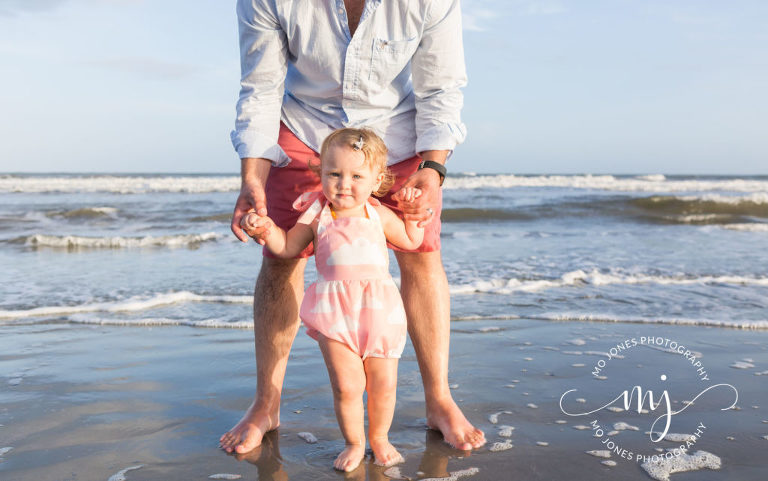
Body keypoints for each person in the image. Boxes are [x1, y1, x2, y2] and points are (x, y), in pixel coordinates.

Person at [220, 0, 486, 454]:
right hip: (305, 129)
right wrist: (252, 178)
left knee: (421, 257)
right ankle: (266, 403)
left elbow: (441, 88)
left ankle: (438, 399)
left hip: (400, 134)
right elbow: (261, 88)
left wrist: (433, 168)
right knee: (281, 260)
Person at [240, 128, 423, 471]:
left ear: (376, 180)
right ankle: (354, 443)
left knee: (383, 383)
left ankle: (380, 438)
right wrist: (266, 231)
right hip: (334, 313)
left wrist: (414, 219)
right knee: (347, 385)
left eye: (356, 176)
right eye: (334, 174)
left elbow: (411, 242)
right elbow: (287, 248)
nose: (343, 184)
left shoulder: (378, 214)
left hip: (380, 311)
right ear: (320, 172)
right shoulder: (317, 214)